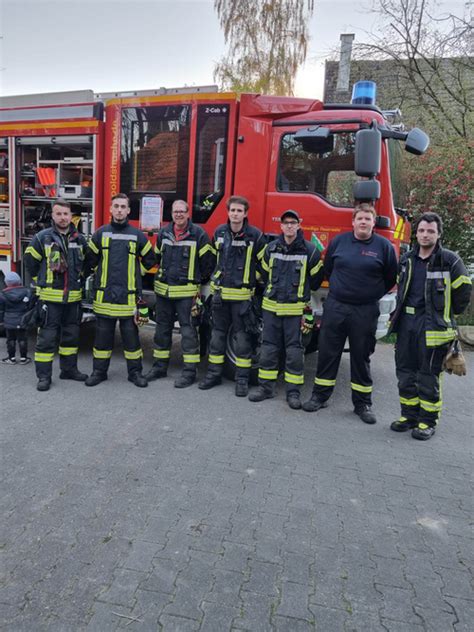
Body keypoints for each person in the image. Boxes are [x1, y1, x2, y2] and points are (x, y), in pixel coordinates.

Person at [303, 202, 398, 423]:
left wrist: (367, 294)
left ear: (374, 223)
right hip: (336, 307)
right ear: (353, 221)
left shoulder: (383, 247)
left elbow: (390, 278)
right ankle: (320, 396)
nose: (364, 222)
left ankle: (363, 404)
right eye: (360, 218)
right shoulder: (339, 242)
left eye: (368, 218)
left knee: (361, 356)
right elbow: (329, 269)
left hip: (365, 310)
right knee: (328, 353)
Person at [389, 212, 471, 440]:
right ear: (416, 233)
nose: (425, 235)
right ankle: (409, 416)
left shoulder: (450, 261)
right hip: (407, 324)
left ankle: (427, 422)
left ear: (438, 234)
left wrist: (443, 316)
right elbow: (400, 289)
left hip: (433, 328)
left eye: (430, 231)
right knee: (405, 373)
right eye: (422, 230)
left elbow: (463, 294)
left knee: (428, 376)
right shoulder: (406, 260)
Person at [248, 209, 323, 409]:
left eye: (293, 222)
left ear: (299, 225)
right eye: (286, 222)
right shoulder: (270, 248)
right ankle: (266, 389)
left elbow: (316, 281)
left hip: (295, 312)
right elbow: (263, 273)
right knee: (268, 350)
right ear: (281, 226)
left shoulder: (311, 251)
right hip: (271, 309)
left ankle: (293, 393)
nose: (289, 225)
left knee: (294, 354)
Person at [85, 193, 155, 388]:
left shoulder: (137, 235)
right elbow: (89, 260)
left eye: (123, 207)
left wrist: (135, 273)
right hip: (105, 298)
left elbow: (151, 259)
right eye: (116, 206)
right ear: (110, 209)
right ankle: (99, 373)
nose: (119, 210)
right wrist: (99, 274)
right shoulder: (100, 233)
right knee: (102, 342)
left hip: (128, 299)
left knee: (132, 342)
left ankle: (135, 374)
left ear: (129, 210)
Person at [198, 196, 265, 397]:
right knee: (217, 337)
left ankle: (242, 380)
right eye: (232, 210)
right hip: (220, 297)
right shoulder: (219, 233)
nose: (235, 214)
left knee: (243, 339)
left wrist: (254, 278)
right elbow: (211, 259)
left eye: (239, 211)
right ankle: (213, 375)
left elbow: (266, 263)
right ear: (228, 212)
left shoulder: (255, 236)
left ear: (245, 213)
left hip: (243, 298)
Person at [145, 199, 214, 388]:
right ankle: (159, 367)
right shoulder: (164, 233)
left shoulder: (199, 235)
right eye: (175, 212)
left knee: (189, 333)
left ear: (188, 213)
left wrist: (195, 282)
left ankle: (189, 372)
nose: (179, 215)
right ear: (172, 214)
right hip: (164, 292)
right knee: (162, 331)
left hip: (187, 294)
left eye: (182, 211)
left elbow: (208, 263)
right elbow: (156, 257)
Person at [24, 199, 89, 391]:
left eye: (66, 214)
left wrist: (79, 279)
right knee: (46, 339)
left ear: (71, 216)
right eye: (59, 214)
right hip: (50, 300)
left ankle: (68, 370)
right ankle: (44, 377)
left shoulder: (79, 238)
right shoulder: (42, 237)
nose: (63, 217)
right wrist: (41, 279)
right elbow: (30, 261)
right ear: (53, 215)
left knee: (71, 337)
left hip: (73, 299)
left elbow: (87, 263)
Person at [0, 271, 32, 365]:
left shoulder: (2, 294)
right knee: (22, 339)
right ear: (19, 281)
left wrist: (1, 321)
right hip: (22, 319)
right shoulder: (27, 291)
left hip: (9, 320)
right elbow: (30, 306)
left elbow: (1, 310)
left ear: (6, 283)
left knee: (10, 339)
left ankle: (11, 358)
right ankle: (23, 358)